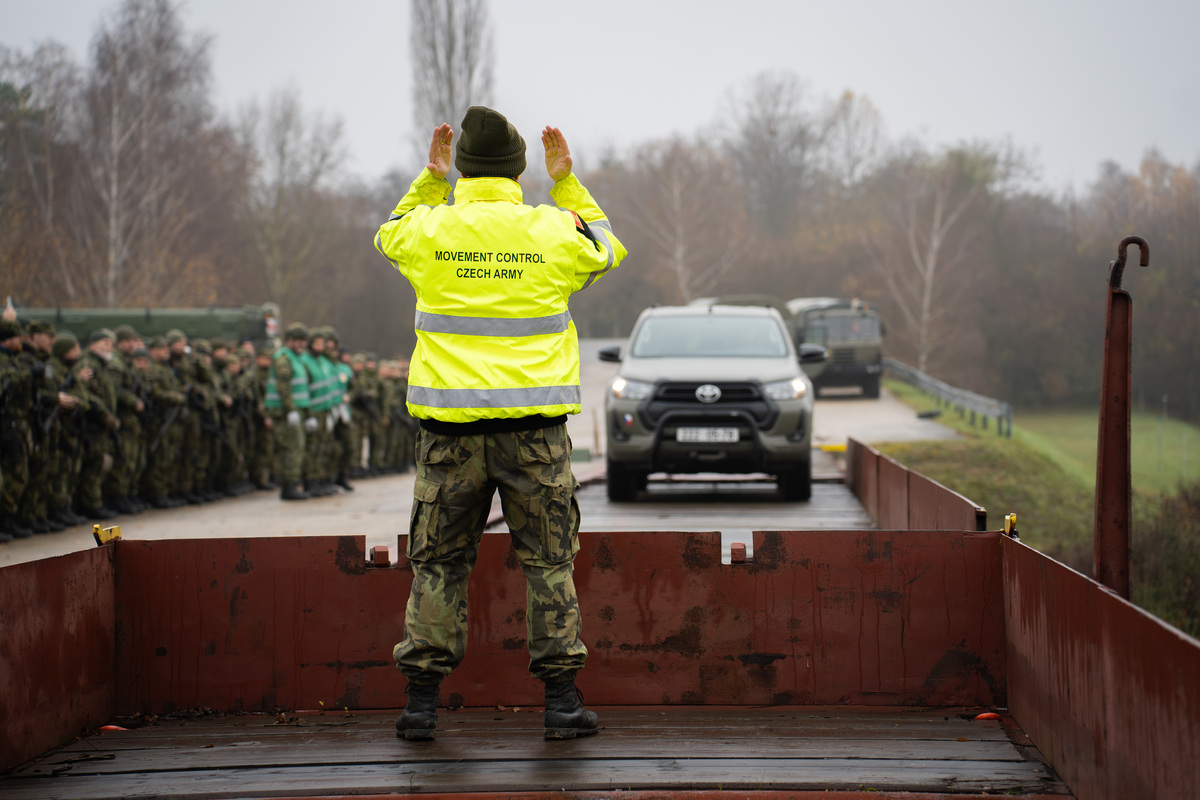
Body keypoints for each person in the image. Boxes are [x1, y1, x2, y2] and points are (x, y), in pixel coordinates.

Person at [374, 107, 627, 741]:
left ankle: (420, 707)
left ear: (463, 169)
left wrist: (431, 180)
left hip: (449, 437)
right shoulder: (553, 229)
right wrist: (566, 183)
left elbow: (389, 232)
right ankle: (562, 705)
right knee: (548, 563)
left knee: (438, 563)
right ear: (518, 171)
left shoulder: (430, 228)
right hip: (534, 436)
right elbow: (607, 248)